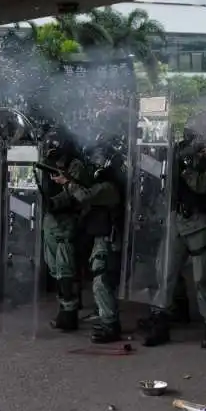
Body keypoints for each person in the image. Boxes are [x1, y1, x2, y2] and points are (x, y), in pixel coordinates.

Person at [141, 128, 206, 350]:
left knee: (202, 278)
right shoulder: (178, 152)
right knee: (165, 273)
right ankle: (160, 323)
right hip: (176, 218)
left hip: (198, 221)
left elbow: (205, 186)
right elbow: (162, 179)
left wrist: (185, 166)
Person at [53, 141, 123, 343]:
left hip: (109, 239)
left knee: (102, 281)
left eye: (98, 160)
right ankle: (107, 320)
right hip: (102, 237)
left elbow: (85, 196)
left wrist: (68, 183)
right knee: (99, 279)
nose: (95, 164)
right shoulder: (106, 184)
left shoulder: (109, 187)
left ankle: (110, 324)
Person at [42, 127, 88, 332]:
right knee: (54, 269)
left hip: (66, 223)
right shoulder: (46, 163)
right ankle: (63, 307)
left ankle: (69, 312)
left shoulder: (75, 165)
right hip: (51, 223)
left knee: (65, 269)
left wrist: (54, 202)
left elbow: (74, 194)